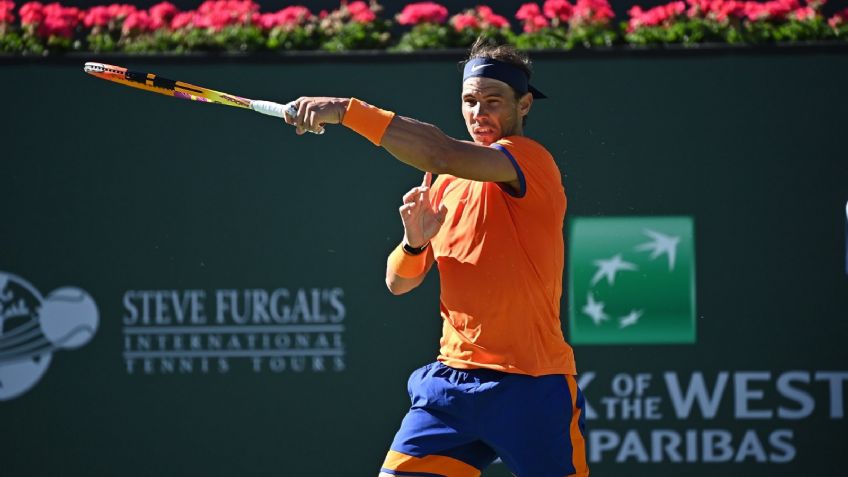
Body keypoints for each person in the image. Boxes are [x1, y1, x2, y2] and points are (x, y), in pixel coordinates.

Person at [284, 38, 588, 477]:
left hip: (530, 386)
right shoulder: (444, 183)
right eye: (469, 101)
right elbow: (398, 282)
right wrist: (414, 243)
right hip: (452, 387)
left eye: (493, 101)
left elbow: (440, 151)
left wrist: (347, 111)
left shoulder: (530, 160)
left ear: (523, 105)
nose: (479, 113)